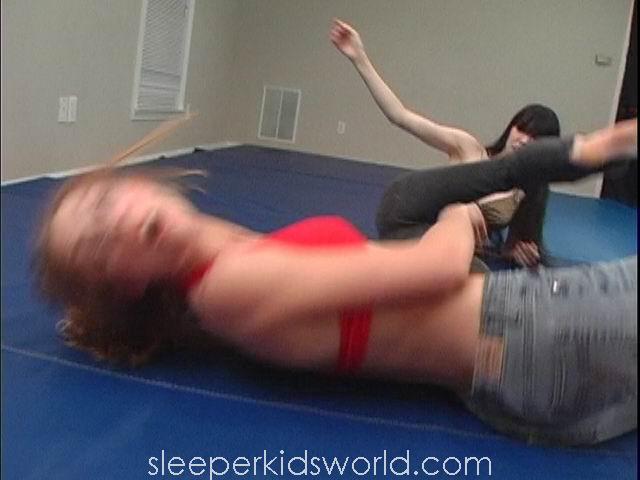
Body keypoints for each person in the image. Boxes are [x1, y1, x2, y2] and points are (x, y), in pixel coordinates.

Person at [35, 119, 637, 445]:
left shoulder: (219, 254)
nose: (116, 224)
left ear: (137, 182)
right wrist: (459, 219)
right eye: (98, 246)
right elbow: (435, 270)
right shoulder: (228, 286)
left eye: (105, 203)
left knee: (406, 201)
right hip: (534, 335)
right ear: (127, 284)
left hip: (524, 350)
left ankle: (588, 150)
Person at [330, 18, 561, 266]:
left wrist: (515, 252)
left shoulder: (524, 193)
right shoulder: (468, 148)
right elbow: (400, 115)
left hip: (444, 248)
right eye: (522, 129)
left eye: (535, 139)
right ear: (511, 127)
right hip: (409, 218)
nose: (524, 140)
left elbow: (508, 246)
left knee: (476, 272)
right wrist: (359, 58)